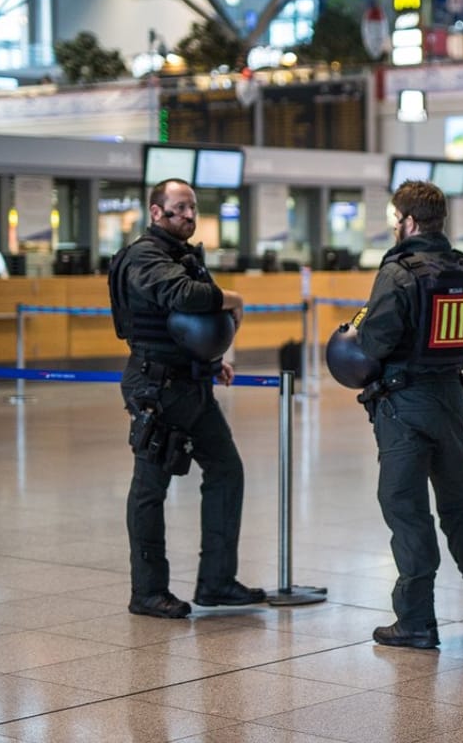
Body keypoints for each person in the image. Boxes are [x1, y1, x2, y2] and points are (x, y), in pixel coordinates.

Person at [354, 179, 463, 649]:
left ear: (409, 222)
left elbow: (372, 344)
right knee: (461, 507)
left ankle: (415, 620)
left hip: (403, 404)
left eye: (395, 219)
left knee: (406, 508)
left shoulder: (398, 274)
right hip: (451, 399)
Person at [108, 178, 262, 619]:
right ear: (156, 212)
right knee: (150, 488)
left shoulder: (182, 255)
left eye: (193, 208)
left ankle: (216, 581)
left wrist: (211, 363)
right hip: (156, 388)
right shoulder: (144, 256)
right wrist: (234, 297)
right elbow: (184, 297)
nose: (190, 216)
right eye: (180, 209)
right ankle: (148, 591)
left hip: (190, 383)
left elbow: (185, 322)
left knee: (226, 470)